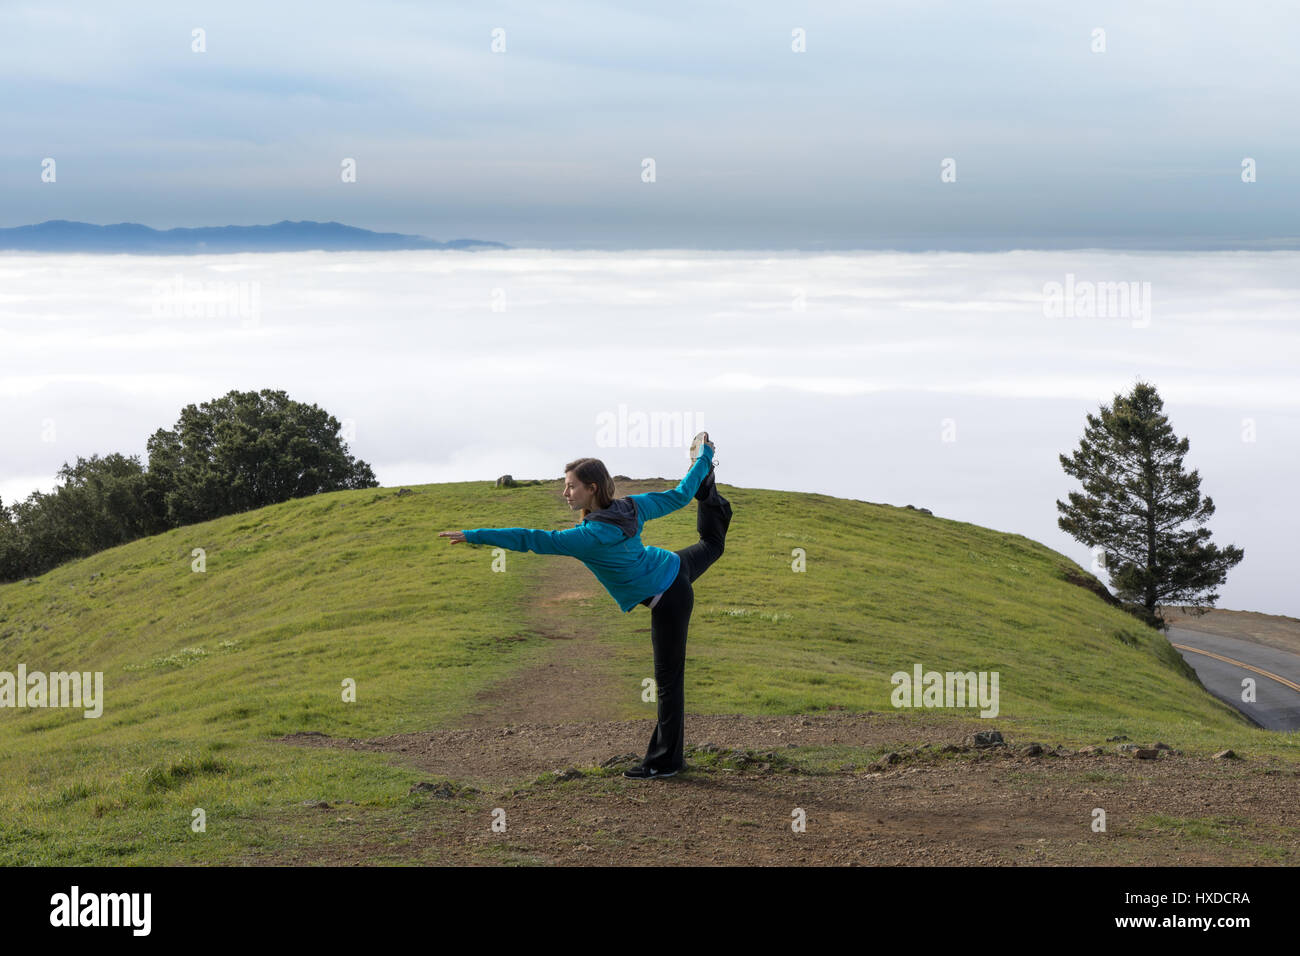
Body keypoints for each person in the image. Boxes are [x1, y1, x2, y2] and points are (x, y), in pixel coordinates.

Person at [439, 432, 732, 779]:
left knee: (668, 682)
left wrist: (474, 535)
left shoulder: (588, 537)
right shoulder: (632, 507)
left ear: (592, 488)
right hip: (672, 566)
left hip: (669, 597)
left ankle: (666, 762)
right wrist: (703, 457)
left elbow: (531, 539)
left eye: (571, 486)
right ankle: (709, 486)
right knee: (712, 543)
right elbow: (680, 495)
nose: (565, 493)